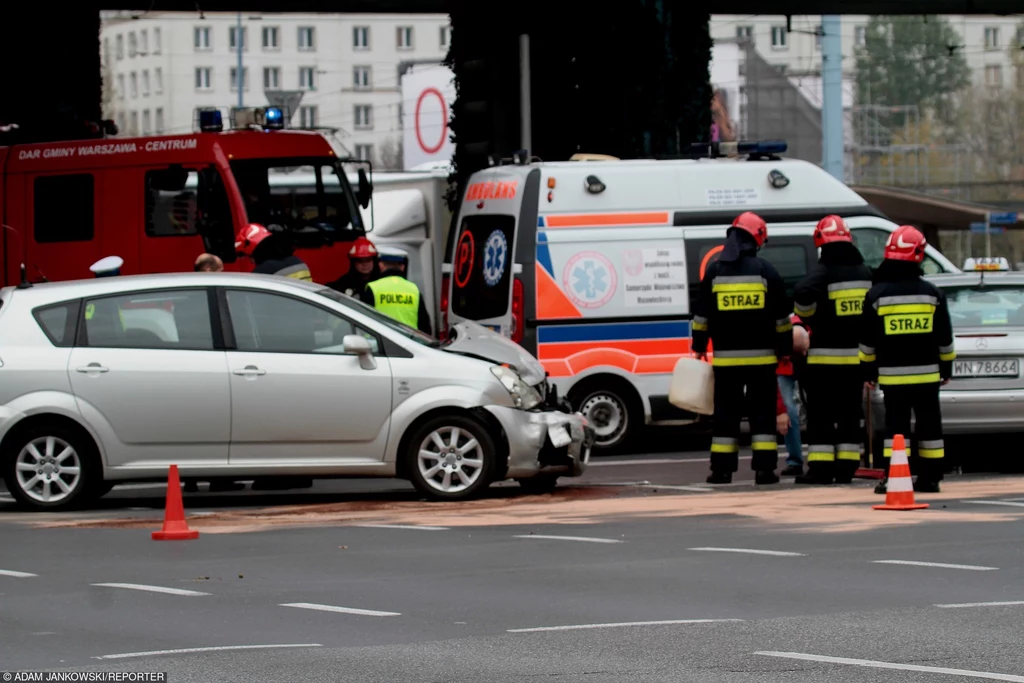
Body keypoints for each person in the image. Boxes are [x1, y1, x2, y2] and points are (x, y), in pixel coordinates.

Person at [692, 211, 793, 485]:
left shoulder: (714, 271)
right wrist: (784, 349)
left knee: (725, 416)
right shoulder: (766, 271)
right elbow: (782, 320)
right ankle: (765, 471)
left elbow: (701, 317)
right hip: (762, 362)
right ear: (756, 238)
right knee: (763, 417)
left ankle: (721, 471)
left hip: (726, 363)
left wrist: (698, 347)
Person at [860, 225, 955, 494]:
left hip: (893, 378)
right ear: (919, 255)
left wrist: (867, 371)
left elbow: (868, 341)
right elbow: (944, 339)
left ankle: (895, 477)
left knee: (896, 430)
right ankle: (931, 478)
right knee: (930, 428)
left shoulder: (876, 296)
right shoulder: (933, 294)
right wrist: (946, 368)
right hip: (927, 377)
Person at [791, 215, 875, 485]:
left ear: (821, 243)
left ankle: (821, 469)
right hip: (856, 360)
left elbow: (802, 292)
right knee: (851, 413)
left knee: (821, 415)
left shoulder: (825, 270)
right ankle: (848, 467)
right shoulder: (865, 273)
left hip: (824, 362)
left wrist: (808, 315)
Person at [361, 246, 432, 335]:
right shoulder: (413, 289)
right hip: (409, 344)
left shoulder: (373, 288)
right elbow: (425, 326)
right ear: (402, 267)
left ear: (381, 265)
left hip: (380, 343)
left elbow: (363, 320)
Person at [777, 316, 808, 476]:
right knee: (789, 411)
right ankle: (795, 462)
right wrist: (781, 411)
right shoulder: (781, 336)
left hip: (810, 365)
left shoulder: (808, 332)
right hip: (784, 366)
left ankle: (823, 458)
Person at [234, 224, 313, 281]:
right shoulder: (298, 262)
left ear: (257, 251)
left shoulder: (262, 272)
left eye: (251, 256)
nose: (251, 261)